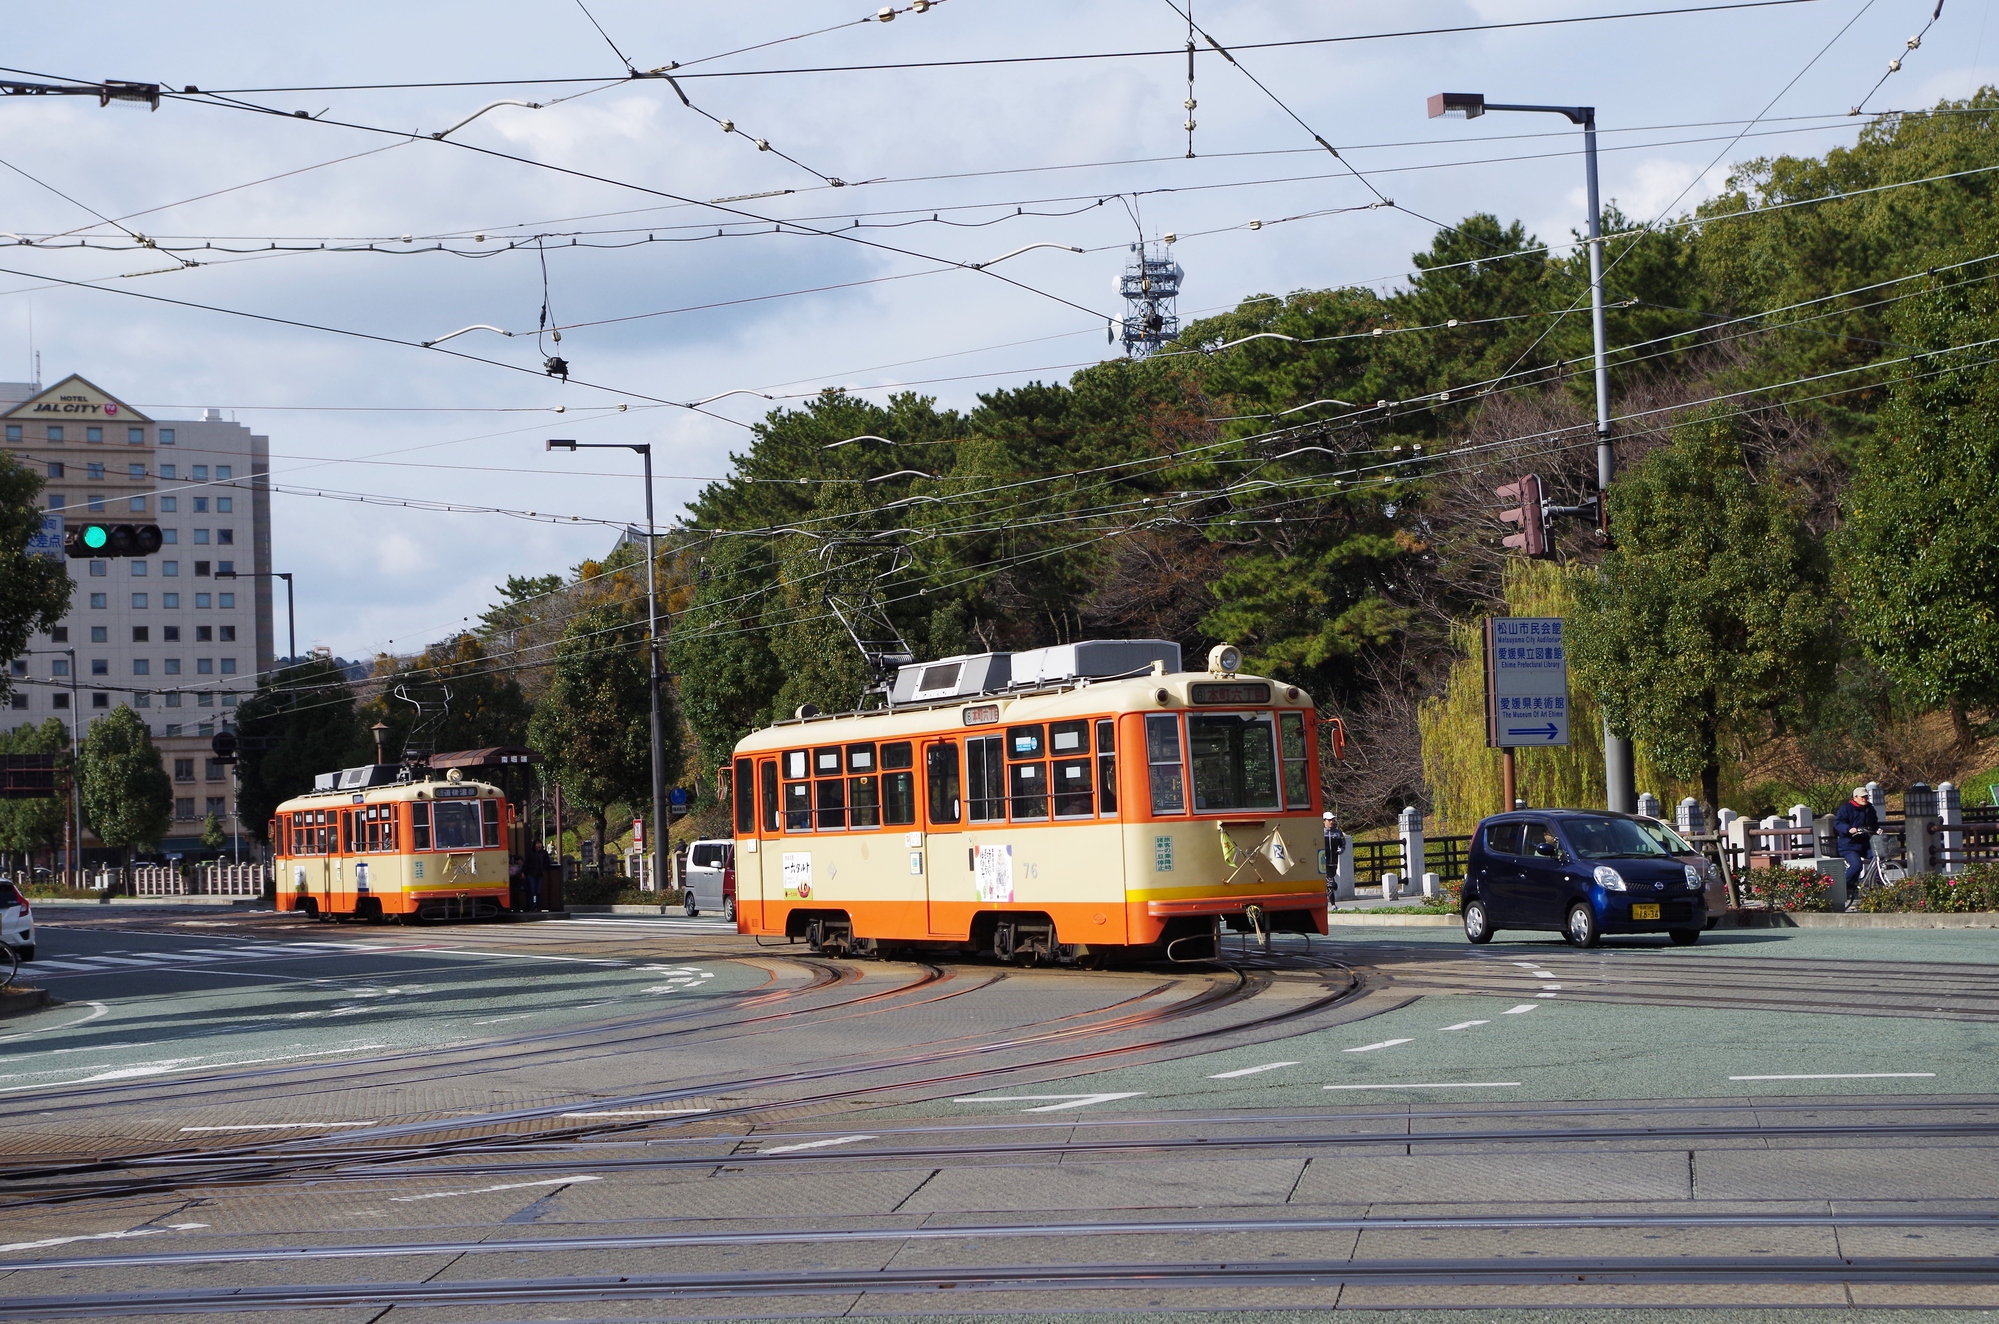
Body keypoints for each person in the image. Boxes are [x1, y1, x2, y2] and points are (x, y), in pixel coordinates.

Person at [1832, 787, 1879, 909]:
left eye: (1866, 796)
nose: (1865, 799)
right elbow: (1838, 823)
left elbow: (1874, 823)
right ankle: (1846, 886)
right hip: (1848, 845)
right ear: (1855, 798)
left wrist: (1877, 829)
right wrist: (1848, 829)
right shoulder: (1846, 809)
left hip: (1864, 843)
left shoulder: (1870, 809)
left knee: (1878, 857)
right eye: (1862, 797)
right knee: (1856, 865)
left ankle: (1876, 881)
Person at [1322, 811, 1347, 909]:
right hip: (1323, 861)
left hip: (1334, 861)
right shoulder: (1320, 832)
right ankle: (1333, 905)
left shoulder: (1338, 832)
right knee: (1330, 882)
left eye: (1333, 820)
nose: (1332, 822)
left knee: (1331, 881)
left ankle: (1332, 886)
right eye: (1329, 820)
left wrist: (1340, 850)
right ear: (1324, 821)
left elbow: (1343, 844)